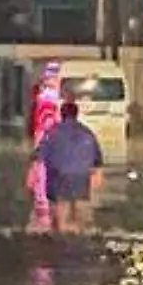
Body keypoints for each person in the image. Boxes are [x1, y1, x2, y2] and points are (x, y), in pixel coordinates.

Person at [33, 101, 103, 234]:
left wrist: (32, 177)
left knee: (60, 219)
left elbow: (39, 156)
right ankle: (78, 234)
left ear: (61, 114)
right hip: (81, 178)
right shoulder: (87, 132)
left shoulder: (52, 132)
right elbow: (97, 161)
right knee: (80, 216)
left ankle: (61, 236)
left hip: (58, 177)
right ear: (77, 114)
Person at [25, 62, 64, 233]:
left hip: (44, 149)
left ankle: (44, 216)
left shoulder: (44, 100)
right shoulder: (51, 100)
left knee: (41, 184)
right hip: (51, 150)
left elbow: (40, 128)